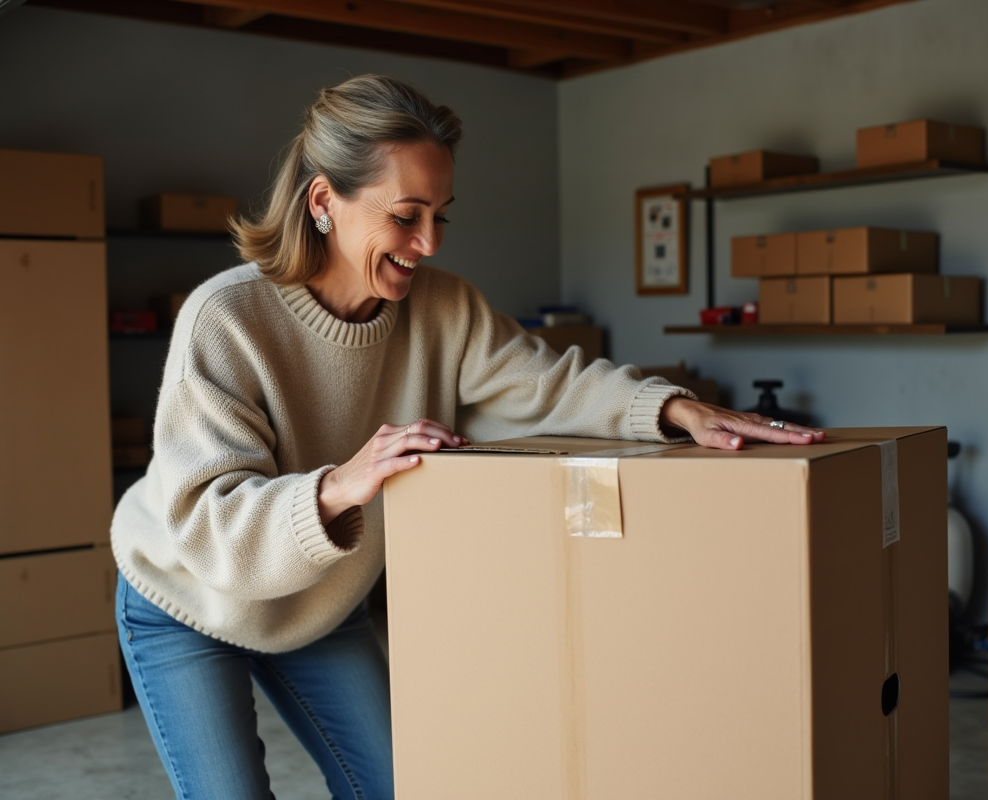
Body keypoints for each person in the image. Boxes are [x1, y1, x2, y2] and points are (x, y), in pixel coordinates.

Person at [110, 73, 825, 800]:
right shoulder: (226, 318)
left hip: (319, 603)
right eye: (406, 215)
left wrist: (675, 411)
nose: (426, 243)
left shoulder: (443, 309)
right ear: (324, 202)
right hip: (189, 599)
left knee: (402, 787)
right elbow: (209, 523)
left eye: (442, 215)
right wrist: (340, 484)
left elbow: (551, 385)